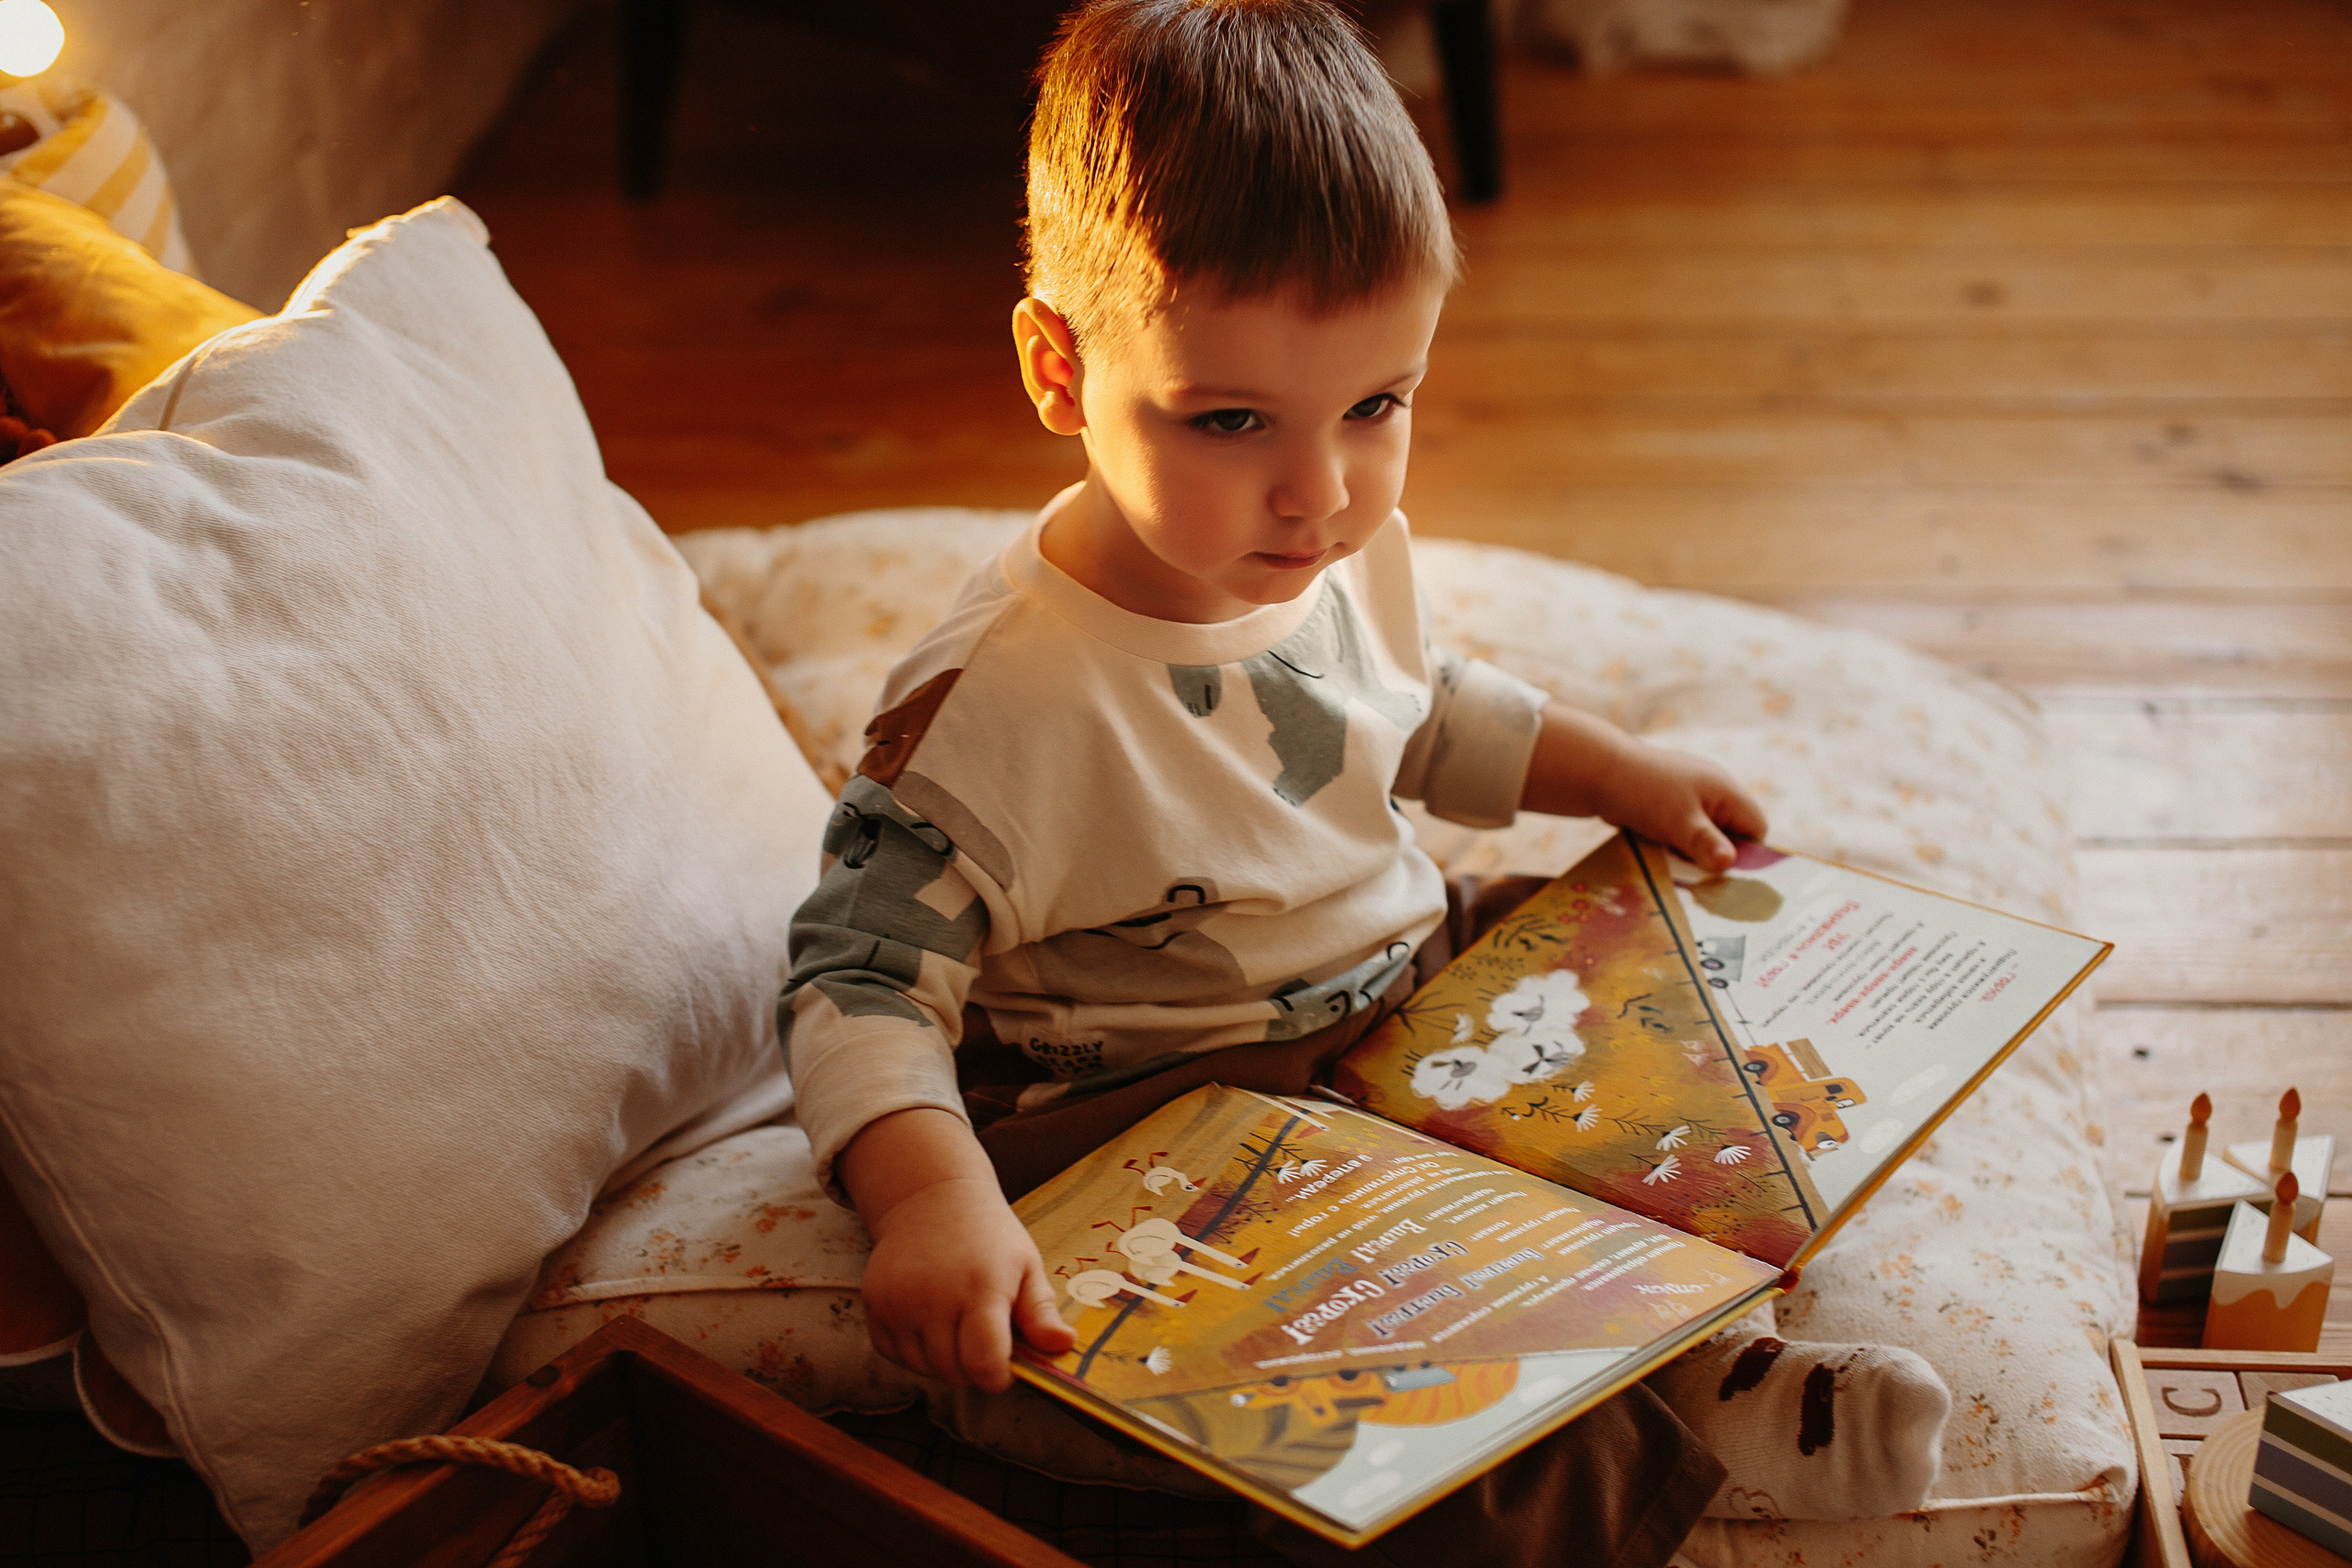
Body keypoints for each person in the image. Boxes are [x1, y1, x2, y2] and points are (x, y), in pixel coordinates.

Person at [782, 4, 1949, 1561]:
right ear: (1059, 368)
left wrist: (1623, 772)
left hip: (1398, 972)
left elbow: (1418, 711)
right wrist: (931, 1200)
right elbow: (855, 978)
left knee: (1663, 999)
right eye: (1232, 420)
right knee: (1392, 1388)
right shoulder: (990, 709)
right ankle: (1699, 1397)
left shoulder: (1324, 546)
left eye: (1376, 407)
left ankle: (1675, 1302)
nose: (1320, 491)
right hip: (1164, 1098)